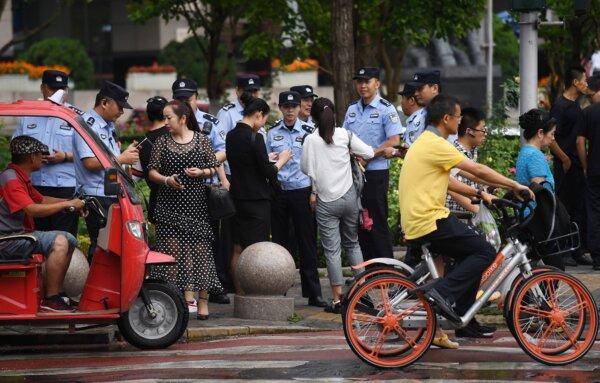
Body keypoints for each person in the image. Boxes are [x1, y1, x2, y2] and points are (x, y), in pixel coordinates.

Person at [399, 94, 534, 338]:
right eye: (458, 117)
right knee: (485, 252)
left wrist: (479, 194)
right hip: (429, 219)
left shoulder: (426, 141)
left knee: (470, 255)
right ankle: (443, 291)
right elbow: (476, 170)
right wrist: (515, 185)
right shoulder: (437, 144)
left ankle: (464, 318)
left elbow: (449, 180)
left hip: (420, 217)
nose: (460, 122)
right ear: (447, 118)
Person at [147, 100, 222, 320]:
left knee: (202, 254)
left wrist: (201, 172)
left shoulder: (202, 140)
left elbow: (214, 168)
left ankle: (203, 302)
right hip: (169, 207)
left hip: (197, 206)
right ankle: (174, 301)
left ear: (183, 118)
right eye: (164, 117)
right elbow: (152, 172)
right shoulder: (161, 142)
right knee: (172, 257)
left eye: (169, 117)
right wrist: (167, 180)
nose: (166, 122)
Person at [301, 97, 374, 313]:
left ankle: (337, 300)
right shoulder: (345, 135)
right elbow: (369, 153)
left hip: (326, 201)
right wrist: (351, 153)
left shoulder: (311, 140)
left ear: (313, 117)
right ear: (334, 113)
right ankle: (363, 292)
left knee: (332, 251)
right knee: (353, 244)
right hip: (349, 199)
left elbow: (306, 168)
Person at [1, 136, 84, 312]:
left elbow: (42, 200)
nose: (43, 158)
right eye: (40, 155)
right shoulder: (11, 179)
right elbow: (31, 209)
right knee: (60, 241)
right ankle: (51, 299)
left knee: (69, 239)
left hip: (16, 235)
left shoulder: (19, 176)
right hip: (8, 240)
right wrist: (67, 204)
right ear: (31, 157)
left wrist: (72, 202)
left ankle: (57, 293)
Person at [171, 79, 231, 303]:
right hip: (180, 189)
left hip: (207, 187)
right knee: (183, 240)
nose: (185, 102)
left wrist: (204, 164)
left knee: (212, 239)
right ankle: (184, 289)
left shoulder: (210, 122)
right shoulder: (171, 123)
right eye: (180, 98)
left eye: (189, 98)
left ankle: (214, 287)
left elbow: (223, 151)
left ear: (197, 97)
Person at [226, 93, 291, 294]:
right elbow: (267, 171)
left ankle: (239, 291)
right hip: (257, 200)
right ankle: (255, 291)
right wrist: (282, 160)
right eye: (263, 120)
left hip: (236, 197)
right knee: (256, 248)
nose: (262, 124)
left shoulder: (231, 135)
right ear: (259, 114)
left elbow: (245, 163)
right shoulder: (256, 137)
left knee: (237, 247)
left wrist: (265, 158)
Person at [267, 91, 325, 308]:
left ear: (300, 108)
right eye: (286, 106)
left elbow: (316, 165)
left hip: (303, 192)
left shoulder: (310, 132)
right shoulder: (271, 134)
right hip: (280, 192)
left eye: (294, 106)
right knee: (281, 244)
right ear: (280, 108)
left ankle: (313, 293)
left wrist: (314, 192)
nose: (290, 110)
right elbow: (266, 162)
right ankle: (280, 290)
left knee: (307, 242)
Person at [72, 81, 140, 261]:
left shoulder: (107, 126)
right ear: (104, 103)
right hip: (96, 196)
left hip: (109, 193)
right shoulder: (87, 125)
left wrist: (125, 161)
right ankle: (94, 287)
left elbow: (109, 161)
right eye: (119, 106)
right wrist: (122, 159)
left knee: (111, 246)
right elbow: (90, 163)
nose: (122, 112)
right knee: (101, 246)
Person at [342, 67, 403, 261]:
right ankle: (367, 268)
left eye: (367, 81)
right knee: (359, 221)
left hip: (375, 173)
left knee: (376, 220)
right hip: (353, 174)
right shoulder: (352, 108)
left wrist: (368, 155)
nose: (362, 85)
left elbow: (394, 140)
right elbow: (344, 137)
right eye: (359, 81)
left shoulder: (386, 108)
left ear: (377, 83)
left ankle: (386, 267)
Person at [12, 70, 80, 236]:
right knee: (36, 239)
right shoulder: (29, 114)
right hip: (35, 187)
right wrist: (31, 156)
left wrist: (64, 156)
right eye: (52, 88)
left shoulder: (75, 116)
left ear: (67, 90)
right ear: (42, 88)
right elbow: (15, 146)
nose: (57, 93)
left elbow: (89, 153)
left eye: (62, 88)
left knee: (65, 239)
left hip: (65, 187)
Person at [549, 66, 591, 266]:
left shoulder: (576, 105)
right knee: (564, 207)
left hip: (576, 164)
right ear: (575, 82)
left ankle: (577, 250)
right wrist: (564, 159)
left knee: (578, 207)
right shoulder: (560, 105)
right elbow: (551, 137)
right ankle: (563, 251)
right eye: (584, 80)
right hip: (565, 164)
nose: (587, 83)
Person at [516, 108, 565, 271]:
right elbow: (541, 192)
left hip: (529, 216)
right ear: (540, 133)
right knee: (555, 269)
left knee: (535, 268)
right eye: (551, 134)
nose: (553, 138)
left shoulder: (525, 152)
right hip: (538, 220)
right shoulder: (535, 155)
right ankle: (542, 297)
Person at [446, 108, 487, 215]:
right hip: (454, 216)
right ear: (469, 131)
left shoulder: (473, 152)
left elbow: (474, 179)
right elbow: (452, 189)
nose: (485, 133)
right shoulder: (452, 153)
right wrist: (479, 212)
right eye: (483, 129)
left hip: (469, 215)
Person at [134, 96, 168, 224]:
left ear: (148, 116)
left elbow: (133, 178)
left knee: (163, 243)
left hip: (157, 204)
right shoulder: (177, 136)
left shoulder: (142, 144)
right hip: (183, 202)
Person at [578, 74, 600, 270]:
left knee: (594, 211)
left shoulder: (588, 113)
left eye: (592, 95)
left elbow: (579, 142)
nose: (591, 98)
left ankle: (597, 257)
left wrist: (585, 165)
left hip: (594, 169)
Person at [403, 70, 441, 146]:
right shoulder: (421, 115)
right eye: (415, 89)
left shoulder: (447, 113)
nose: (416, 93)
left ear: (434, 88)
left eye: (420, 89)